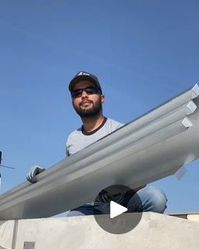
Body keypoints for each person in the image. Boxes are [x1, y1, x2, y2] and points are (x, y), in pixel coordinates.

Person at [27, 71, 167, 215]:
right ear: (73, 102)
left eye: (90, 90)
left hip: (120, 202)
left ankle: (127, 230)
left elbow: (141, 176)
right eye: (77, 93)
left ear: (102, 98)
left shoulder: (120, 130)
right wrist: (44, 176)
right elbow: (68, 179)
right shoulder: (72, 140)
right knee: (72, 222)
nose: (84, 95)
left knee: (155, 198)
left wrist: (117, 192)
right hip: (88, 207)